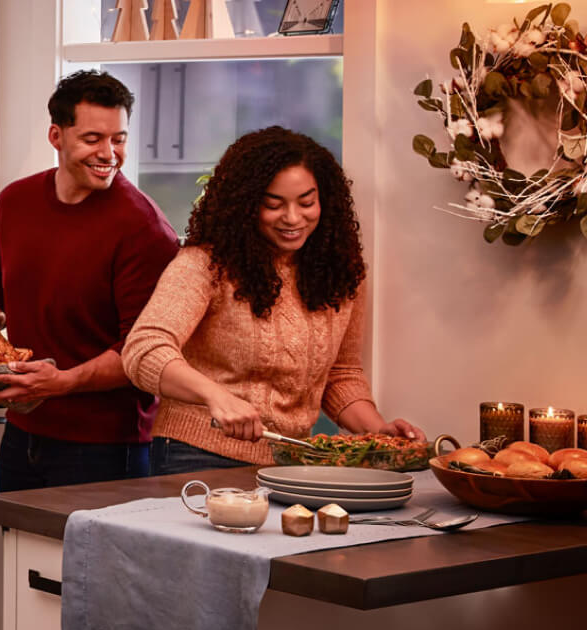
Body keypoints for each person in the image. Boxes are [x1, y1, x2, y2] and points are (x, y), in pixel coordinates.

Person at [121, 126, 423, 474]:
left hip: (291, 463)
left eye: (307, 202)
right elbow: (144, 349)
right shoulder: (205, 265)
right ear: (245, 205)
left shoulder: (342, 273)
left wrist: (378, 431)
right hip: (196, 454)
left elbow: (341, 375)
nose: (293, 218)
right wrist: (216, 397)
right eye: (273, 205)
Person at [0, 70, 184, 492]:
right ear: (56, 135)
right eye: (92, 139)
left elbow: (141, 350)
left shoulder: (145, 229)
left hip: (105, 447)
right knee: (19, 555)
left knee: (88, 561)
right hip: (22, 429)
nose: (109, 153)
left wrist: (63, 382)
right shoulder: (16, 201)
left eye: (118, 139)